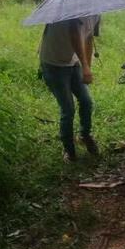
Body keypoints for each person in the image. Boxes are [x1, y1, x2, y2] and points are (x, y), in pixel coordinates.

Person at [40, 16, 100, 162]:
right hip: (53, 63)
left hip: (73, 62)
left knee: (86, 101)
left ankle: (84, 135)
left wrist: (88, 67)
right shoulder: (71, 12)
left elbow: (88, 38)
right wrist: (85, 67)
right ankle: (69, 149)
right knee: (68, 109)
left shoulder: (96, 13)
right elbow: (74, 35)